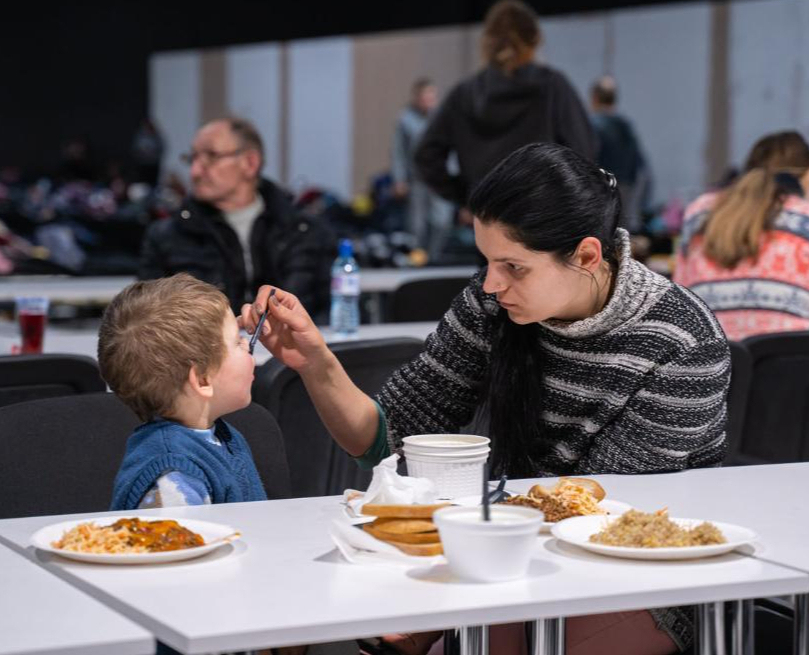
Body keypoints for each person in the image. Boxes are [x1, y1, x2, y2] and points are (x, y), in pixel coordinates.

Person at [242, 142, 730, 654]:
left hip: (644, 571)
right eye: (487, 261)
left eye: (514, 267)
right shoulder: (492, 304)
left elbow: (600, 516)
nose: (493, 283)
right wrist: (316, 362)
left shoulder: (682, 339)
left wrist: (451, 566)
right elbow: (384, 440)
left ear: (586, 255)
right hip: (512, 547)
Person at [99, 273, 267, 511]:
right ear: (202, 379)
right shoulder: (174, 475)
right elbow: (178, 546)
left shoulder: (220, 435)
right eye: (237, 342)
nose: (249, 347)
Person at [138, 117, 335, 318]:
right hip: (207, 349)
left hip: (294, 348)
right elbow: (148, 320)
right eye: (193, 158)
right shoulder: (165, 236)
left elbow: (334, 314)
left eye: (211, 156)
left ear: (250, 163)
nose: (195, 171)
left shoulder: (307, 232)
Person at [414, 0, 597, 209]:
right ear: (535, 39)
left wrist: (467, 196)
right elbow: (584, 151)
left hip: (488, 215)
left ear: (486, 43)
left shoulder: (463, 94)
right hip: (542, 214)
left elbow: (425, 156)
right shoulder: (552, 87)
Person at [674, 130, 809, 341]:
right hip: (790, 360)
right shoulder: (804, 214)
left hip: (713, 361)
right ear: (805, 176)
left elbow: (681, 296)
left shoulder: (698, 212)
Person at [391, 78, 455, 261]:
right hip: (417, 179)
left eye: (432, 97)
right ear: (417, 98)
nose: (430, 101)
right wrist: (399, 179)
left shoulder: (443, 118)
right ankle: (418, 259)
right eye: (425, 97)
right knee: (416, 225)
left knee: (442, 220)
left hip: (440, 178)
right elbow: (398, 152)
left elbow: (452, 147)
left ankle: (434, 257)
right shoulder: (405, 119)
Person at [590, 76, 647, 234]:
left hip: (599, 188)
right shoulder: (626, 125)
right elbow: (640, 163)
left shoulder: (592, 123)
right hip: (625, 189)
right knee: (621, 236)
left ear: (594, 97)